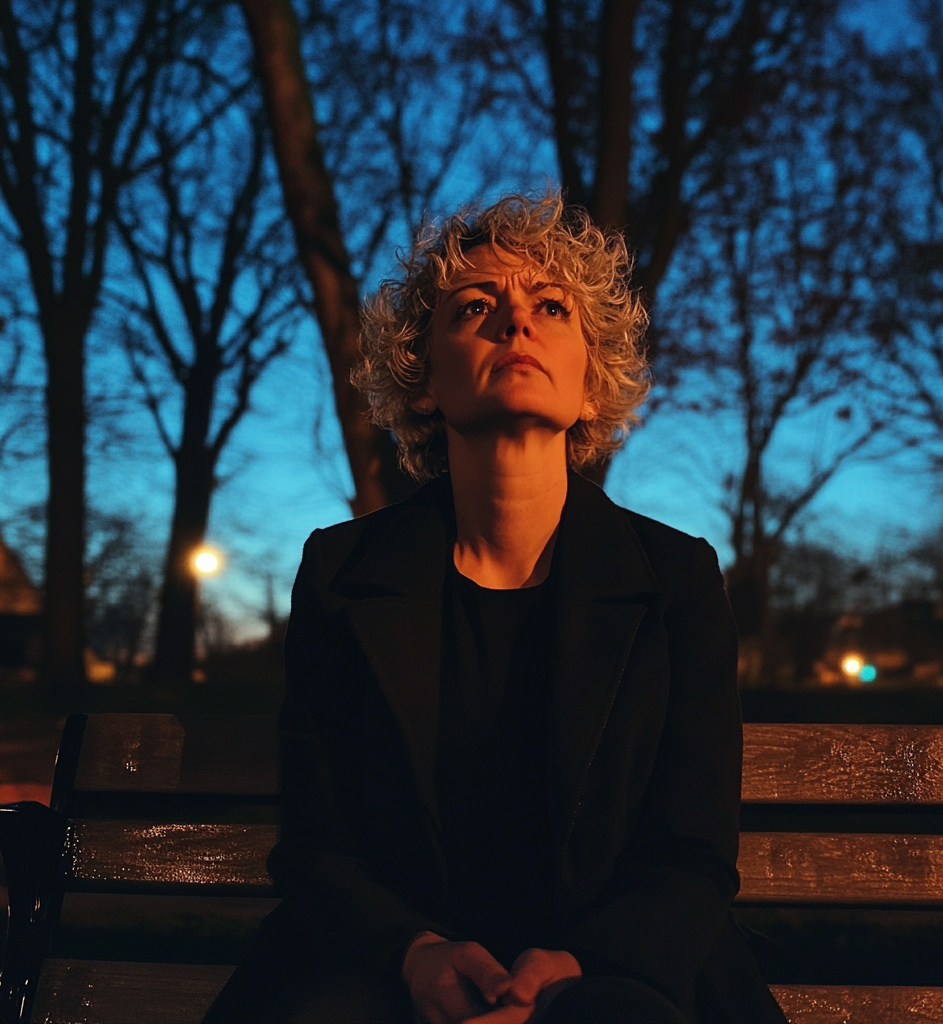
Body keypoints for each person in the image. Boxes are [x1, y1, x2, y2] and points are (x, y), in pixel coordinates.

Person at [204, 194, 786, 1024]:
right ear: (426, 380)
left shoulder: (675, 578)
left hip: (620, 974)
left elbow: (690, 853)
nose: (516, 323)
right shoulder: (343, 572)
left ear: (592, 384)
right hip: (385, 971)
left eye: (551, 309)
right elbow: (318, 846)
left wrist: (572, 972)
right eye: (475, 309)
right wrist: (416, 956)